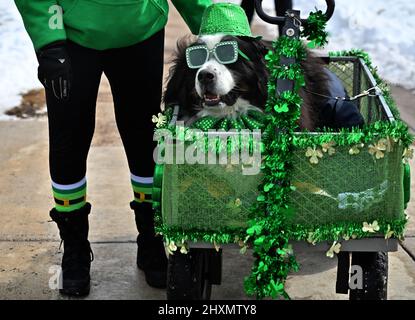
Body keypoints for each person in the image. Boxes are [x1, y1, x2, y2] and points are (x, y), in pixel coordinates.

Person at [14, 0, 212, 297]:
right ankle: (75, 248)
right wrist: (49, 40)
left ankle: (150, 238)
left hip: (140, 30)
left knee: (145, 139)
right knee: (70, 138)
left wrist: (218, 26)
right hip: (71, 36)